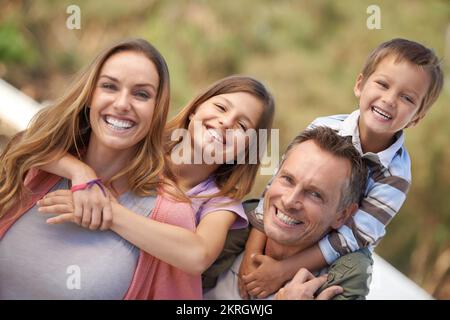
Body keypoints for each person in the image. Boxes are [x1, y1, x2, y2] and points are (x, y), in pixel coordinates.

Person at [237, 38, 444, 298]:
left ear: (417, 118)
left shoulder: (396, 176)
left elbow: (353, 236)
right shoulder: (323, 126)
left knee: (357, 268)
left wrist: (282, 271)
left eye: (407, 98)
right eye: (382, 84)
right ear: (360, 84)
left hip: (337, 248)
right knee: (237, 216)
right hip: (292, 221)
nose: (390, 100)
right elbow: (276, 186)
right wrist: (251, 257)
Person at [0, 38, 202, 299]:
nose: (121, 104)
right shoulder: (39, 167)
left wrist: (111, 213)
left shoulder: (169, 211)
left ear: (157, 110)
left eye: (141, 94)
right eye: (109, 86)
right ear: (89, 96)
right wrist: (81, 174)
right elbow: (22, 147)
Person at [36, 75, 275, 284]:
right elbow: (35, 148)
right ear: (195, 109)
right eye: (222, 108)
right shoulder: (142, 143)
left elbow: (198, 255)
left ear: (248, 147)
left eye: (242, 126)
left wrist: (110, 212)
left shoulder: (220, 201)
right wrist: (81, 173)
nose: (226, 122)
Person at [204, 126, 372, 300]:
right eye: (288, 179)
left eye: (315, 194)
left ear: (342, 215)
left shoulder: (336, 286)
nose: (290, 201)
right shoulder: (224, 226)